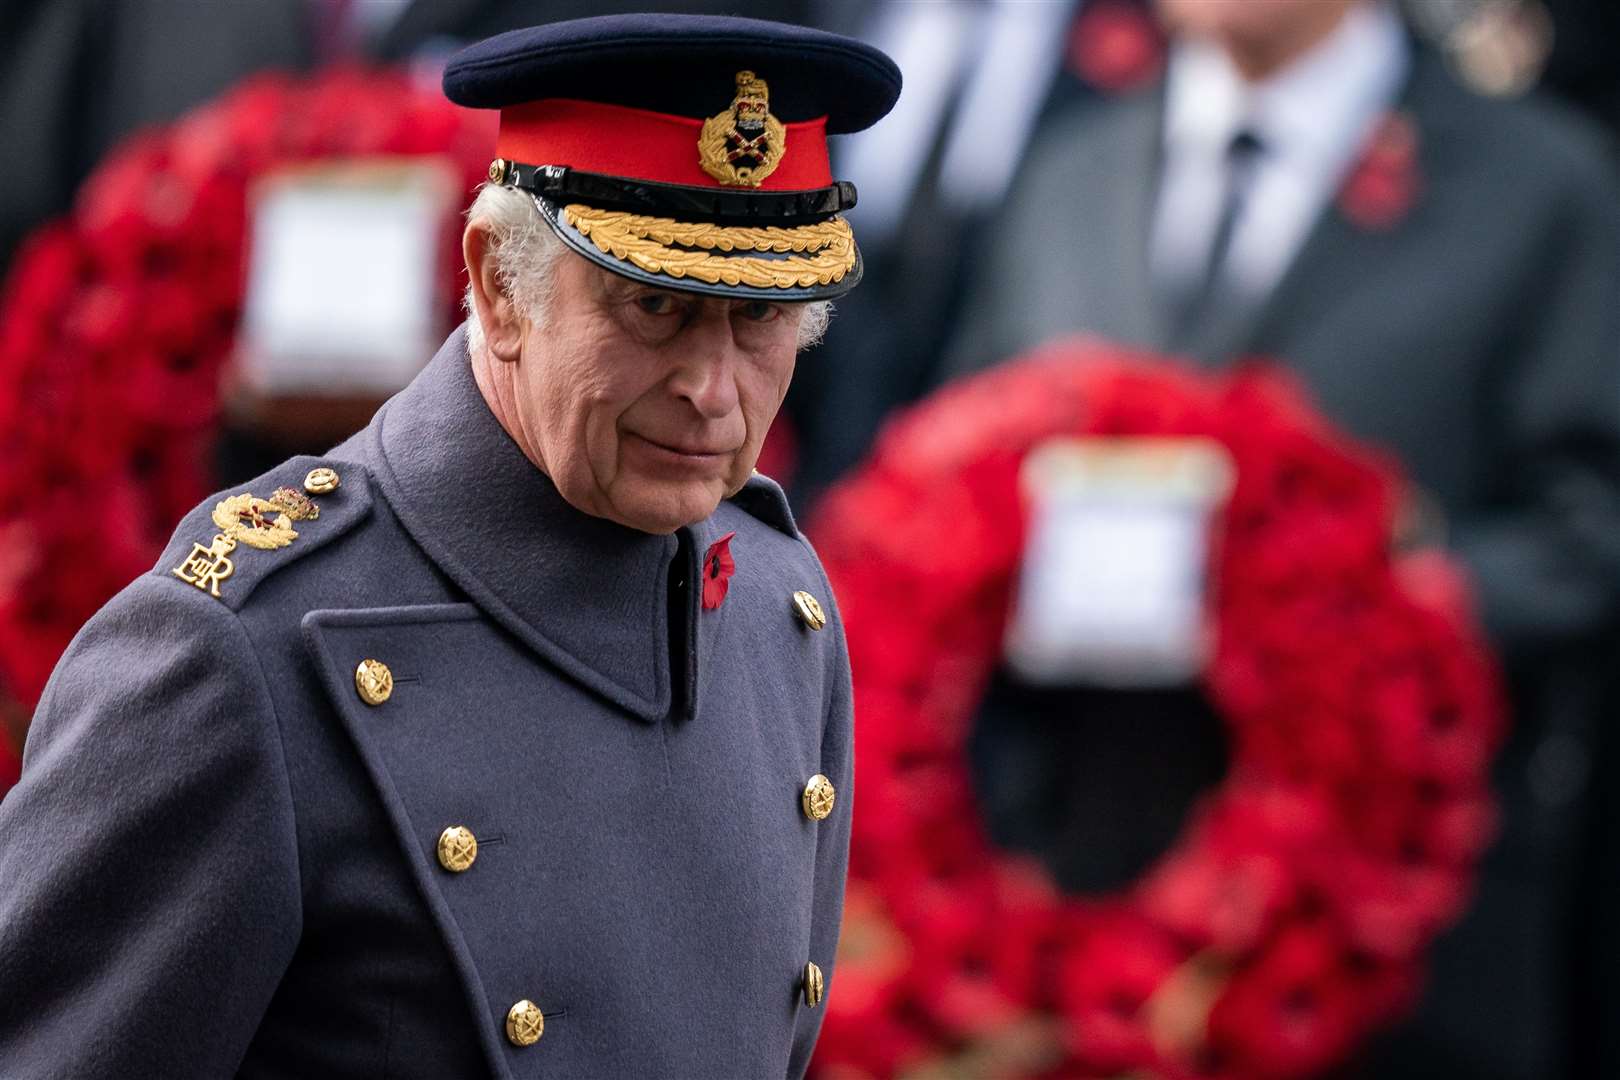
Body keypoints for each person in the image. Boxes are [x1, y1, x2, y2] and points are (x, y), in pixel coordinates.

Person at [0, 13, 899, 1078]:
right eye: (655, 307)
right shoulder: (244, 649)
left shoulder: (776, 607)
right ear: (501, 286)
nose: (713, 393)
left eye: (761, 321)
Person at [938, 2, 1620, 1078]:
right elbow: (952, 491)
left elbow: (1591, 526)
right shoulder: (1072, 170)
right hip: (1091, 906)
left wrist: (1384, 597)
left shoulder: (1541, 183)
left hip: (1396, 945)